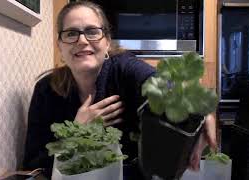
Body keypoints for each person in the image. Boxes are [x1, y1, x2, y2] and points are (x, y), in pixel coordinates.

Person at [23, 1, 217, 179]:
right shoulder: (46, 90)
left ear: (107, 41)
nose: (82, 40)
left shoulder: (124, 68)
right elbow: (33, 165)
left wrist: (199, 108)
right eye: (71, 33)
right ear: (60, 45)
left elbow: (161, 84)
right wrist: (76, 133)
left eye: (92, 31)